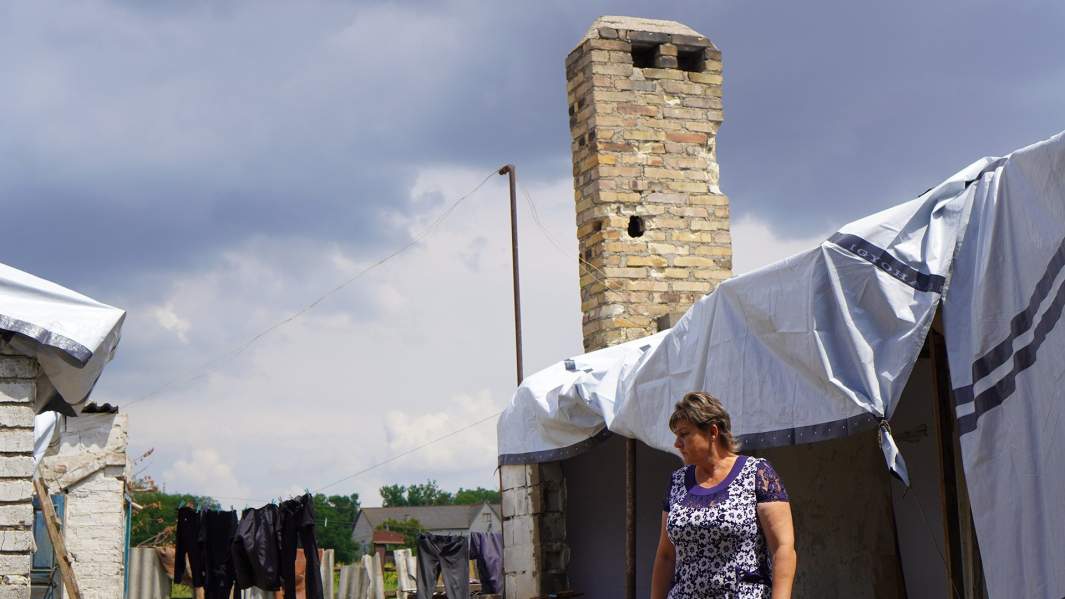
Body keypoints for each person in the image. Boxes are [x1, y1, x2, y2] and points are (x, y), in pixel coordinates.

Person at [651, 392, 796, 599]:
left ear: (712, 431)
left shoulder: (756, 474)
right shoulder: (677, 481)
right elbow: (666, 556)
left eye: (684, 434)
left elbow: (783, 548)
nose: (677, 443)